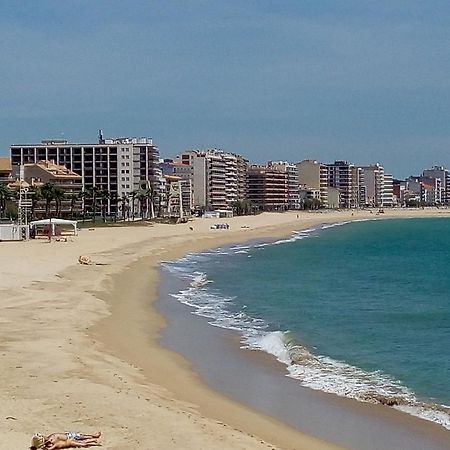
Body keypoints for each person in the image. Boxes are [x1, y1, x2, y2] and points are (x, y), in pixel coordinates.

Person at [30, 431, 101, 449]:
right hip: (69, 440)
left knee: (82, 436)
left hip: (68, 435)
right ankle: (93, 440)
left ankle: (93, 436)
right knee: (82, 442)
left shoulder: (50, 438)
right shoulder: (51, 444)